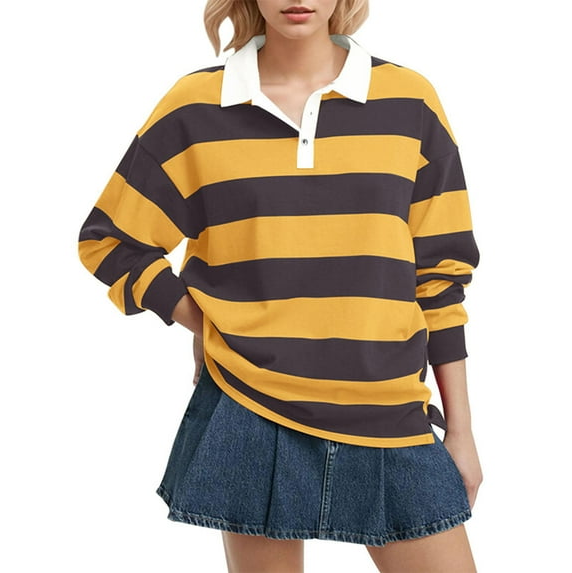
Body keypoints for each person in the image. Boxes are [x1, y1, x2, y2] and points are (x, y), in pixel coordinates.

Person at [78, 0, 483, 571]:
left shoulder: (409, 101)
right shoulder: (196, 106)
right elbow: (110, 239)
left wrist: (461, 430)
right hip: (249, 406)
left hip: (388, 409)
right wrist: (201, 320)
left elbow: (440, 278)